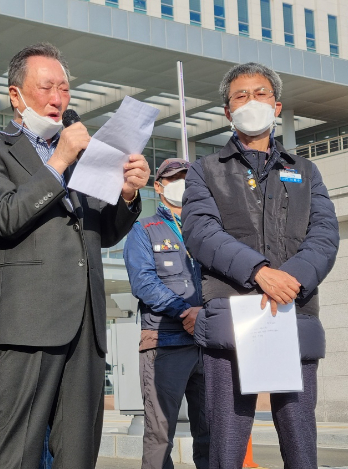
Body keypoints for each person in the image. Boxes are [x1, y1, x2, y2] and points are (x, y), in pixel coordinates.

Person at [0, 42, 150, 468]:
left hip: (84, 328)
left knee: (77, 454)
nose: (57, 98)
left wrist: (128, 194)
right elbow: (3, 217)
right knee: (14, 454)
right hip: (25, 328)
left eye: (64, 89)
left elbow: (104, 232)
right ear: (16, 95)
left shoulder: (87, 159)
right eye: (46, 87)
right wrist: (59, 160)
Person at [181, 62, 339, 468]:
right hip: (232, 321)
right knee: (226, 447)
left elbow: (324, 235)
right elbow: (200, 232)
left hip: (293, 312)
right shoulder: (205, 171)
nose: (251, 101)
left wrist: (292, 279)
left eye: (260, 93)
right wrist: (259, 272)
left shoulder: (305, 171)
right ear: (227, 112)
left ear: (277, 104)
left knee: (301, 444)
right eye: (240, 95)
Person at [123, 158, 209, 469]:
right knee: (160, 434)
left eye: (187, 177)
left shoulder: (209, 230)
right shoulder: (144, 230)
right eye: (175, 178)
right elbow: (143, 282)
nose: (182, 183)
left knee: (212, 432)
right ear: (158, 186)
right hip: (166, 344)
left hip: (210, 344)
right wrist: (185, 311)